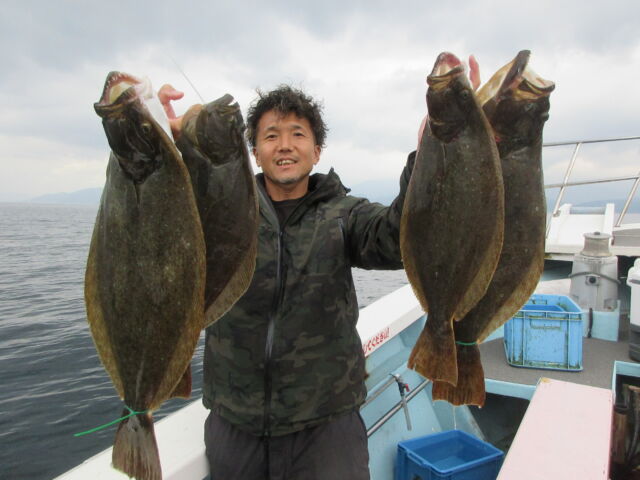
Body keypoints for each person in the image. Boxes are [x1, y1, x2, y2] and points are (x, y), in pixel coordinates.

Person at [159, 83, 416, 480]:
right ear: (254, 151)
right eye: (271, 136)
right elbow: (163, 224)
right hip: (235, 425)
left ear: (317, 151)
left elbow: (399, 238)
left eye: (298, 134)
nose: (284, 146)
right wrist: (166, 146)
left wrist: (432, 155)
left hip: (326, 427)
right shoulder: (218, 210)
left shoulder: (344, 214)